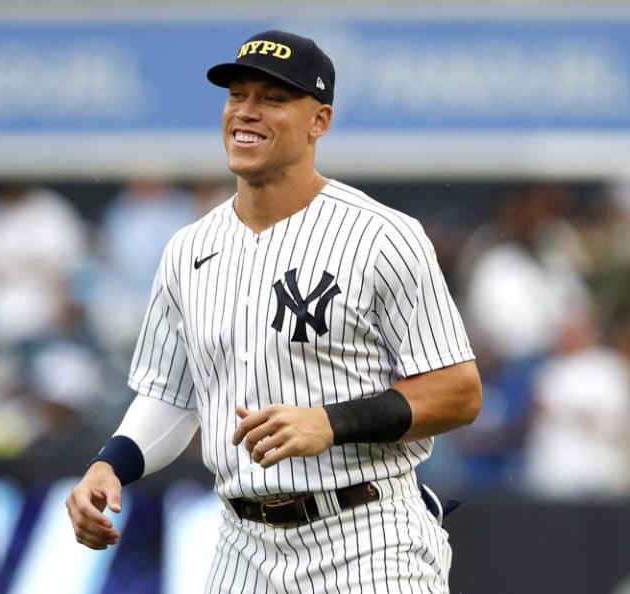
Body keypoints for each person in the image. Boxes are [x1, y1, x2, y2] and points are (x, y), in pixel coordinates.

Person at [66, 30, 482, 593]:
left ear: (320, 121)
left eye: (273, 98)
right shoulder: (188, 249)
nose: (247, 112)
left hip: (367, 532)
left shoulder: (382, 236)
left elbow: (459, 391)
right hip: (244, 545)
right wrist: (109, 465)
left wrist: (329, 422)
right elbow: (170, 393)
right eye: (237, 95)